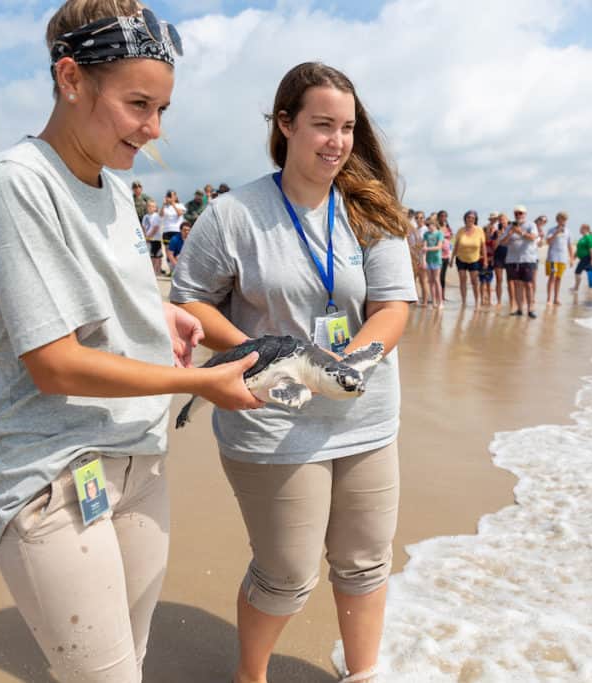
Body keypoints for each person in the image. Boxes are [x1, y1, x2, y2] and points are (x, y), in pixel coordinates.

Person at [0, 4, 262, 681]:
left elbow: (100, 298)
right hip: (54, 474)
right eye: (138, 105)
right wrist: (202, 382)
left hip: (139, 460)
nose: (154, 129)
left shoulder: (119, 193)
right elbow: (56, 364)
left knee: (133, 664)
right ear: (71, 79)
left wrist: (161, 314)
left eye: (163, 108)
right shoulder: (18, 183)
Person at [169, 61, 414, 683]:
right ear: (286, 124)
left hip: (365, 416)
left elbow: (392, 307)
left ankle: (363, 673)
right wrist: (271, 353)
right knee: (287, 574)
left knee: (365, 562)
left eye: (348, 128)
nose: (338, 141)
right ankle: (250, 676)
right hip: (272, 419)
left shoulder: (370, 209)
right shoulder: (234, 214)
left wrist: (347, 365)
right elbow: (190, 300)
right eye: (323, 125)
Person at [500, 205, 539, 318]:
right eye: (516, 213)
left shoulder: (531, 225)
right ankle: (519, 309)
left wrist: (520, 232)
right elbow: (502, 242)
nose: (518, 215)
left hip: (527, 259)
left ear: (525, 214)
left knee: (528, 284)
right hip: (512, 260)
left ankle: (530, 309)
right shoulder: (509, 227)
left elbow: (533, 237)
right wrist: (510, 233)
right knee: (517, 284)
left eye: (520, 213)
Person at [451, 210, 484, 307]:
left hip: (474, 259)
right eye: (468, 217)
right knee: (462, 281)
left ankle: (477, 302)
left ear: (475, 219)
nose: (470, 219)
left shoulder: (479, 230)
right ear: (465, 219)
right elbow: (456, 246)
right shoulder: (460, 230)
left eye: (472, 218)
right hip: (461, 258)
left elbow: (483, 246)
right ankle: (464, 302)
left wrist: (485, 260)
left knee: (474, 281)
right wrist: (452, 259)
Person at [543, 211, 573, 305]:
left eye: (565, 220)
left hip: (563, 258)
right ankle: (549, 299)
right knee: (552, 276)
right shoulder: (551, 230)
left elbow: (569, 245)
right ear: (557, 220)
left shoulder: (568, 231)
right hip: (553, 257)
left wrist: (571, 258)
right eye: (561, 219)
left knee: (559, 278)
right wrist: (556, 233)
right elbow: (548, 242)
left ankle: (556, 298)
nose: (563, 221)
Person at [159, 188, 185, 273]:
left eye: (172, 195)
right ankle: (171, 270)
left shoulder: (180, 205)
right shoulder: (166, 207)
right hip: (167, 231)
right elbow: (161, 215)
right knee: (168, 252)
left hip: (177, 231)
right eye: (169, 196)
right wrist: (163, 204)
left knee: (178, 251)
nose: (170, 197)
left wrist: (173, 203)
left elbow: (179, 213)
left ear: (176, 196)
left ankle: (178, 270)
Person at [406, 209, 429, 306]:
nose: (419, 219)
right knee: (413, 280)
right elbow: (409, 241)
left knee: (423, 280)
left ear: (424, 219)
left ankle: (425, 301)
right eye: (417, 218)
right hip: (413, 257)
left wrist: (416, 247)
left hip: (422, 257)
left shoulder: (426, 230)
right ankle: (415, 301)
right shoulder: (413, 229)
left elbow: (424, 244)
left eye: (421, 218)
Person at [422, 215, 444, 308]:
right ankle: (434, 302)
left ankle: (441, 302)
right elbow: (424, 248)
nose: (428, 227)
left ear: (434, 224)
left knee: (436, 280)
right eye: (427, 225)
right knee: (430, 281)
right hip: (428, 260)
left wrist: (427, 248)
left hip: (436, 260)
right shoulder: (426, 234)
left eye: (429, 225)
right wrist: (424, 261)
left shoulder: (439, 234)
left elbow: (439, 247)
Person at [478, 213, 499, 307]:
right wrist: (483, 258)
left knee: (489, 282)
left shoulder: (492, 242)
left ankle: (489, 300)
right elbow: (478, 254)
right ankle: (482, 300)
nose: (488, 233)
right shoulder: (480, 242)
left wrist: (491, 259)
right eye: (486, 232)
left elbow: (495, 252)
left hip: (490, 263)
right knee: (482, 282)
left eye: (490, 232)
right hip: (481, 263)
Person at [571, 223, 592, 294]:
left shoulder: (589, 237)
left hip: (587, 258)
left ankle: (576, 288)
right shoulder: (582, 238)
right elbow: (578, 250)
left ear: (585, 229)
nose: (579, 230)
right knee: (590, 272)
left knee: (578, 272)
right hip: (583, 258)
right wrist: (573, 258)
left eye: (581, 228)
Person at [492, 212, 510, 307]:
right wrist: (498, 237)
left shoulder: (511, 230)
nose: (501, 221)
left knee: (510, 280)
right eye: (500, 220)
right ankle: (499, 301)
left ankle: (512, 300)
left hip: (510, 257)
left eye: (503, 219)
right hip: (498, 256)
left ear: (507, 220)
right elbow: (494, 247)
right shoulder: (496, 232)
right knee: (499, 280)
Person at [141, 198, 164, 273]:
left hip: (155, 239)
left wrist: (149, 237)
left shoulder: (156, 216)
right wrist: (145, 237)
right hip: (147, 239)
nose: (150, 208)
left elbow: (156, 228)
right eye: (149, 206)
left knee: (157, 256)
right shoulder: (145, 216)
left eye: (153, 206)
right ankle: (152, 271)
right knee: (150, 256)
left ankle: (157, 271)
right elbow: (143, 227)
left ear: (155, 208)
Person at [436, 209, 452, 300]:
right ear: (438, 217)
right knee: (438, 276)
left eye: (445, 216)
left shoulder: (448, 228)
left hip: (446, 255)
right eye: (442, 216)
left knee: (443, 276)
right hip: (437, 255)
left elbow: (449, 242)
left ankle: (442, 296)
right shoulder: (436, 227)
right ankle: (437, 295)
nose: (443, 218)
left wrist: (450, 256)